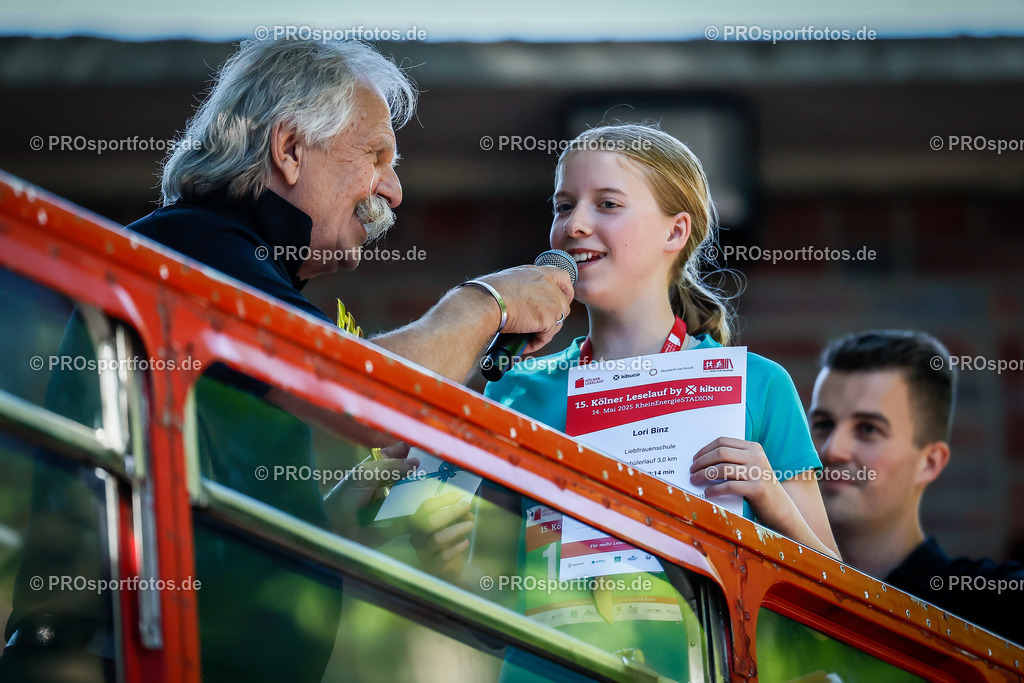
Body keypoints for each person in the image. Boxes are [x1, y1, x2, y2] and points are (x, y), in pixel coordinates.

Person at [1, 37, 573, 683]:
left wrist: (335, 512)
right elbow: (372, 400)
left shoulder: (219, 255)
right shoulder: (194, 244)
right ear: (290, 149)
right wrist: (484, 303)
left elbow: (202, 505)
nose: (393, 188)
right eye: (376, 157)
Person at [482, 123, 838, 679]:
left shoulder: (760, 386)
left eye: (607, 204)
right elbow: (487, 594)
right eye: (563, 205)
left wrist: (771, 499)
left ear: (676, 232)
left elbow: (837, 601)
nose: (575, 224)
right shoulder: (515, 388)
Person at [810, 330, 1024, 644]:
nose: (831, 450)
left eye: (868, 428)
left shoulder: (995, 606)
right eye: (823, 424)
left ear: (930, 462)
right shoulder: (762, 585)